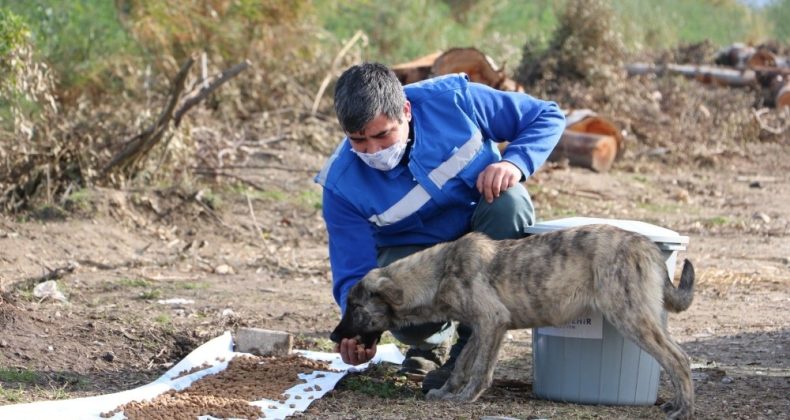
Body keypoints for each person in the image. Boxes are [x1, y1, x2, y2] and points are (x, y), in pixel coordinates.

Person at [315, 62, 564, 392]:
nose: (373, 150)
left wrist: (513, 163)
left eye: (381, 135)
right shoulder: (341, 186)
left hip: (482, 232)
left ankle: (471, 345)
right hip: (418, 260)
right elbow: (354, 273)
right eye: (358, 140)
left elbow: (546, 115)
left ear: (406, 110)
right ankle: (429, 342)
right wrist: (360, 331)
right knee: (389, 293)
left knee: (511, 202)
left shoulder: (456, 102)